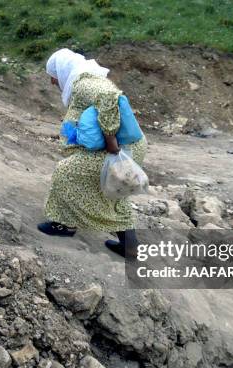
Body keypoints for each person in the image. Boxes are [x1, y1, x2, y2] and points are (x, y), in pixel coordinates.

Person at [38, 48, 148, 258]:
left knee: (66, 172)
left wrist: (110, 141)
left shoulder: (83, 83)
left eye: (53, 77)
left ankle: (63, 225)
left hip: (122, 148)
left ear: (62, 71)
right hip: (132, 145)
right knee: (113, 188)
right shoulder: (86, 79)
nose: (53, 82)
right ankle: (130, 245)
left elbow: (109, 97)